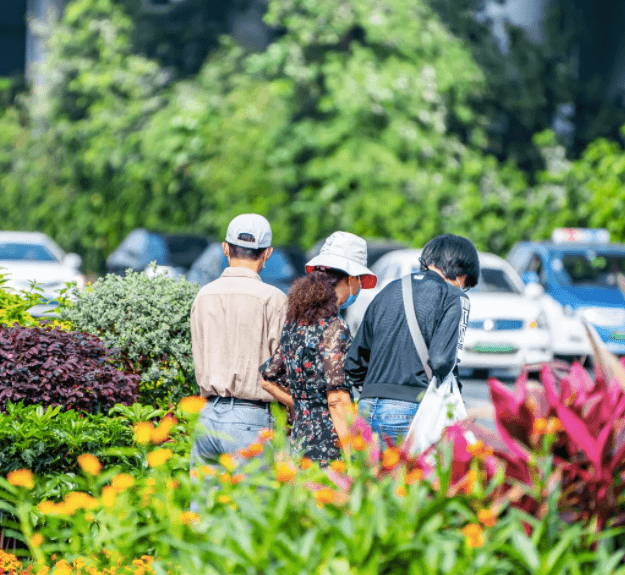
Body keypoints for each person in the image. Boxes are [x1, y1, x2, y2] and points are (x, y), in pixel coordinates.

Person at [345, 234, 479, 444]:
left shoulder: (387, 291)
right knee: (411, 476)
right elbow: (442, 361)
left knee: (370, 476)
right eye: (466, 283)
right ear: (460, 270)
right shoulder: (455, 298)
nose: (464, 288)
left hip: (367, 406)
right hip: (412, 409)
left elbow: (353, 363)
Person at [259, 231, 377, 466]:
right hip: (329, 447)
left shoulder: (296, 323)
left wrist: (302, 404)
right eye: (360, 281)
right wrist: (352, 454)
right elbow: (336, 399)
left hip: (299, 445)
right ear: (351, 279)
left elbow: (267, 379)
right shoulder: (334, 328)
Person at [189, 214, 287, 465]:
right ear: (267, 253)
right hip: (250, 418)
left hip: (207, 415)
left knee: (204, 502)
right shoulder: (273, 299)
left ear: (225, 248)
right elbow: (282, 367)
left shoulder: (203, 295)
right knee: (250, 501)